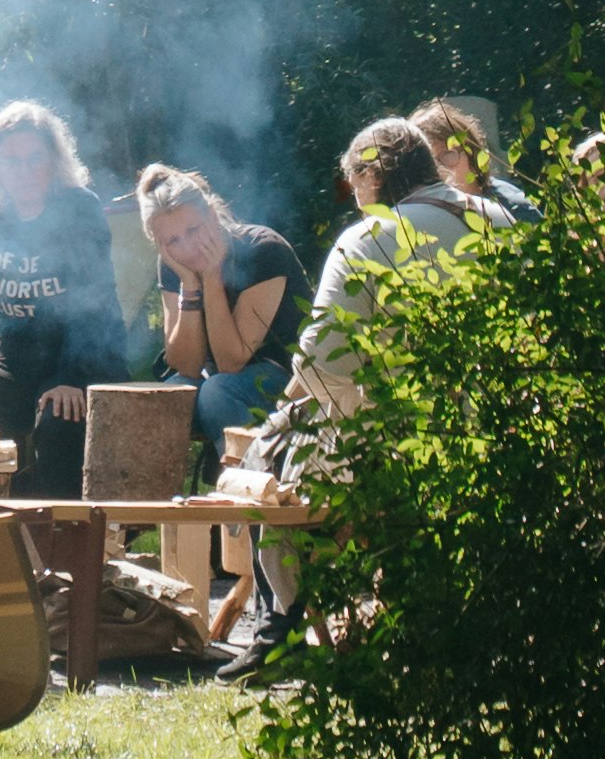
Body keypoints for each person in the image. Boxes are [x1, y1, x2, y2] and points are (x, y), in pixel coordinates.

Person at [225, 116, 515, 679]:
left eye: (354, 182)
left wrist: (291, 411)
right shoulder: (498, 220)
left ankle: (278, 631)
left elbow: (322, 362)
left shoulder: (367, 239)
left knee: (269, 461)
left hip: (389, 447)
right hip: (493, 435)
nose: (353, 196)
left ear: (375, 174)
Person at [0, 100, 131, 501]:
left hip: (86, 357)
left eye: (35, 158)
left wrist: (71, 378)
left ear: (54, 160)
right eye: (11, 161)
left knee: (58, 420)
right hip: (16, 359)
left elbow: (96, 306)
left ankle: (67, 543)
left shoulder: (80, 209)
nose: (25, 171)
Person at [141, 166, 310, 462]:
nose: (187, 247)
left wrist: (211, 276)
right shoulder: (172, 264)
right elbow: (186, 366)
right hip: (217, 378)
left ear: (211, 215)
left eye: (193, 230)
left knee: (218, 391)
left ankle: (251, 485)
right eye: (172, 241)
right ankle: (157, 502)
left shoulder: (264, 250)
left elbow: (232, 360)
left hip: (288, 380)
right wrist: (190, 285)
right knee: (166, 397)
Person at [409, 100, 541, 223]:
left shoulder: (515, 210)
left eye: (448, 155)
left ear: (472, 156)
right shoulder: (417, 217)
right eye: (429, 161)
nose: (439, 170)